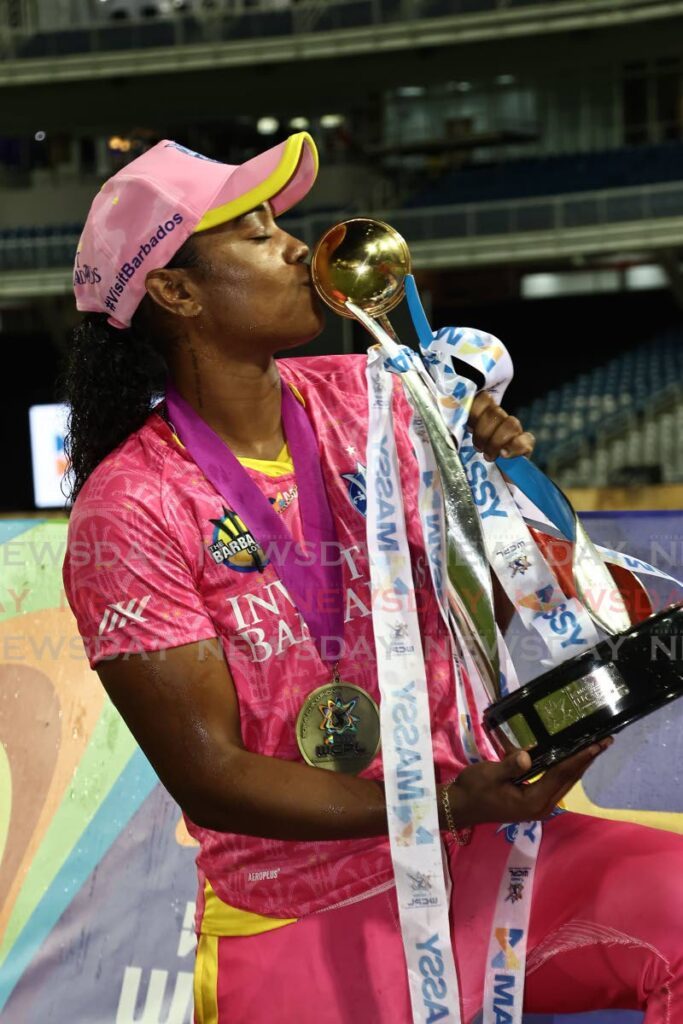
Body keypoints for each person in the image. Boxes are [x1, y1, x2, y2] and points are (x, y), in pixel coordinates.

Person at [62, 131, 682, 1024]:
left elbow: (484, 594)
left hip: (475, 854)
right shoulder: (130, 507)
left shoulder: (375, 394)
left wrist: (499, 499)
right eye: (255, 233)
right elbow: (211, 774)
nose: (292, 248)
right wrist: (442, 797)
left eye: (281, 222)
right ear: (174, 290)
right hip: (300, 913)